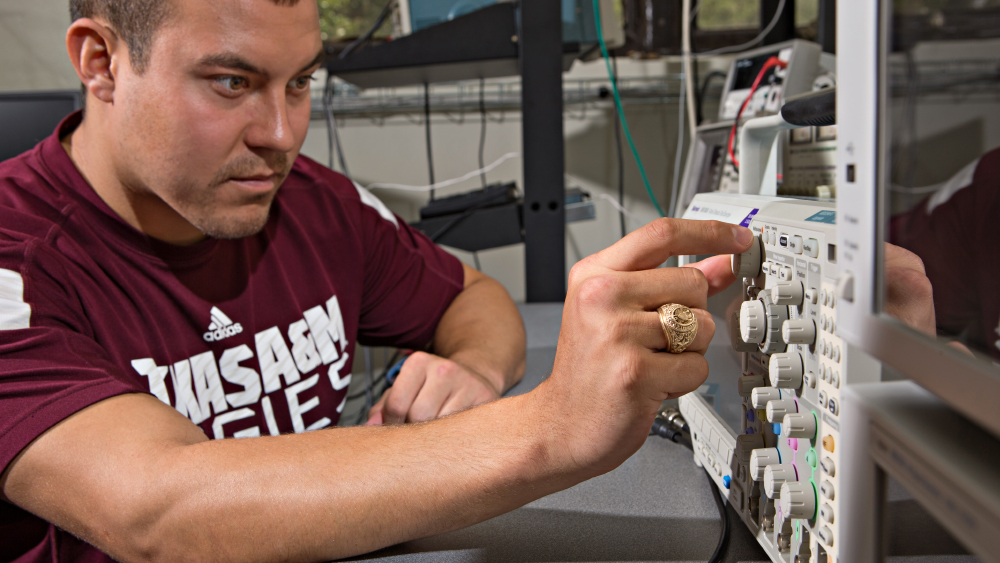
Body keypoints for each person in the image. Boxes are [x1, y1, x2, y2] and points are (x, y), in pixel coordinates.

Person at [0, 0, 754, 561]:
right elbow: (155, 508)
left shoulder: (313, 204)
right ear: (100, 62)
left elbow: (474, 298)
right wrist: (549, 428)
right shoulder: (16, 256)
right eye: (232, 83)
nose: (281, 135)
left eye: (298, 84)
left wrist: (472, 368)